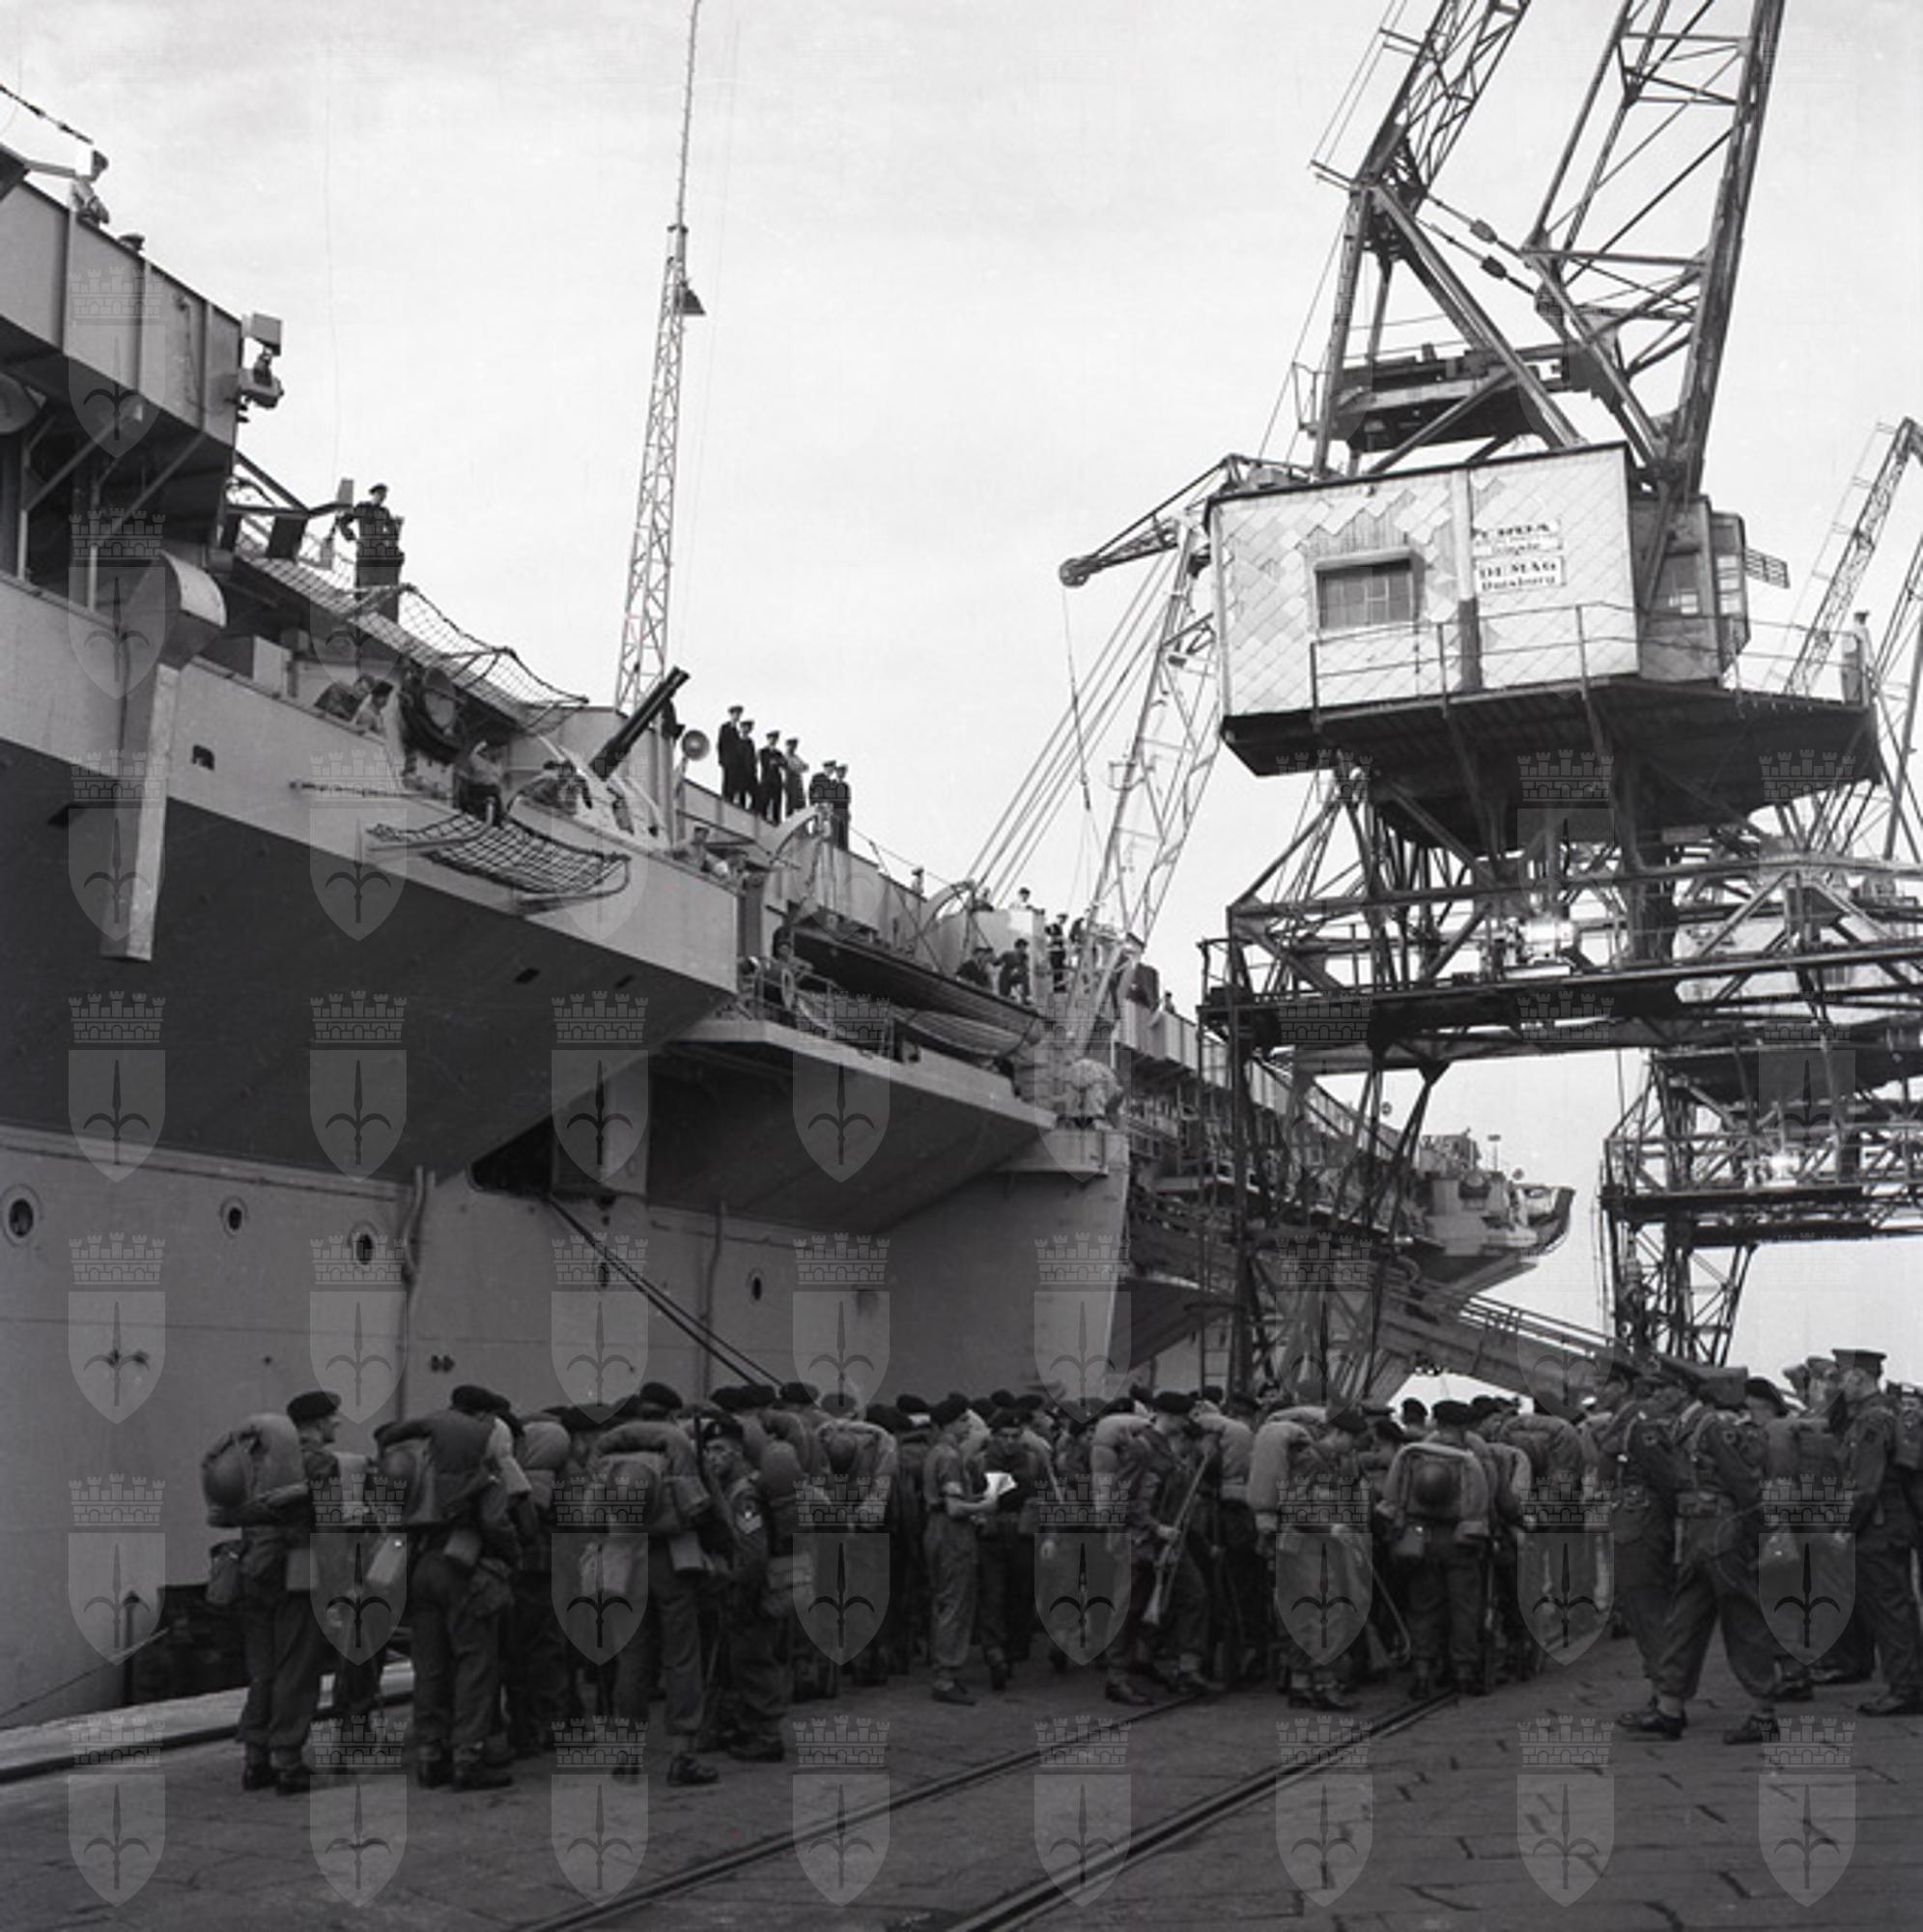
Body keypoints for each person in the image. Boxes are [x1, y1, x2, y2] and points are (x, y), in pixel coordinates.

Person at [1620, 1364, 1782, 1745]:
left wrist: (1758, 1532)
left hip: (1721, 1531)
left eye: (1661, 1389)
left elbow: (1743, 1483)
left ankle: (1764, 1712)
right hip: (1697, 1532)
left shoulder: (1711, 1426)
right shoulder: (1684, 1427)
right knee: (1684, 1620)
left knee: (1742, 1619)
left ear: (1681, 1389)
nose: (1654, 1396)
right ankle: (1669, 1708)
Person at [376, 1385, 520, 1790]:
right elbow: (495, 1523)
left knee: (430, 1667)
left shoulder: (417, 1458)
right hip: (465, 1567)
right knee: (475, 1663)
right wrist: (512, 1554)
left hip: (420, 1565)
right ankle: (468, 1758)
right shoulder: (481, 1463)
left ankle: (430, 1754)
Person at [234, 1390, 341, 1795]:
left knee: (262, 1671)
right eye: (333, 1417)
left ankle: (255, 1759)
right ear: (317, 1423)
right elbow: (329, 1523)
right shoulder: (319, 1462)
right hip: (297, 1573)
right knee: (297, 1667)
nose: (338, 1423)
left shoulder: (257, 1462)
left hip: (253, 1570)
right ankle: (288, 1761)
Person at [1831, 1347, 1923, 1716]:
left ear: (1859, 1378)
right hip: (1893, 1522)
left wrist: (1845, 1526)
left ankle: (1905, 1689)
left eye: (1843, 1378)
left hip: (1879, 1525)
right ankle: (1910, 1682)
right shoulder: (1889, 1412)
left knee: (1890, 1608)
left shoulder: (1871, 1421)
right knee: (1898, 1605)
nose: (1840, 1385)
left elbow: (1864, 1485)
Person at [1379, 1398, 1491, 1697]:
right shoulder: (1471, 1458)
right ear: (1464, 1427)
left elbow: (1392, 1498)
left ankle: (1422, 1672)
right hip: (1459, 1542)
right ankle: (1464, 1672)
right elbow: (1484, 1501)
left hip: (1419, 1540)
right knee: (1464, 1607)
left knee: (1423, 1606)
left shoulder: (1411, 1455)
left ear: (1437, 1423)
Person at [698, 1414, 790, 1761]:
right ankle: (749, 1725)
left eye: (719, 1449)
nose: (712, 1457)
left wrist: (743, 1592)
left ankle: (767, 1735)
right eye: (708, 1450)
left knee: (753, 1660)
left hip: (754, 1590)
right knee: (741, 1659)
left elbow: (753, 1553)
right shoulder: (732, 1488)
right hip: (749, 1587)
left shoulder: (744, 1495)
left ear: (737, 1452)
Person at [924, 1394, 997, 1703]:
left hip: (936, 1529)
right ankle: (946, 1675)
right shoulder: (951, 1458)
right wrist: (984, 1506)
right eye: (963, 1421)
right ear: (949, 1424)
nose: (969, 1426)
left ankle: (942, 1666)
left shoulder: (935, 1453)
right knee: (955, 1603)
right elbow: (954, 1508)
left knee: (942, 1601)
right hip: (952, 1534)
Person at [452, 735, 507, 824]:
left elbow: (498, 784)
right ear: (492, 748)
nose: (501, 754)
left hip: (494, 795)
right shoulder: (474, 759)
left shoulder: (498, 765)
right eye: (499, 750)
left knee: (498, 819)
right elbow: (462, 778)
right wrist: (457, 799)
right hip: (478, 792)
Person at [314, 673, 392, 733]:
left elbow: (346, 719)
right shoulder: (338, 688)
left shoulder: (357, 698)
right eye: (361, 689)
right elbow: (329, 713)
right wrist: (355, 727)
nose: (362, 695)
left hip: (329, 728)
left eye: (366, 693)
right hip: (315, 721)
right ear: (355, 684)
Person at [757, 730, 786, 824]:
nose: (773, 741)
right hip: (766, 781)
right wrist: (776, 762)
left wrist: (777, 762)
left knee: (777, 804)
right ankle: (762, 821)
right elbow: (765, 763)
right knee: (764, 802)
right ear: (768, 739)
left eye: (775, 739)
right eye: (771, 739)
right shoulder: (763, 751)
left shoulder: (778, 753)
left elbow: (784, 763)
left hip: (776, 781)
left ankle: (776, 822)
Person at [781, 738, 808, 817]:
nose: (793, 748)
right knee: (790, 802)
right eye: (791, 746)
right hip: (789, 780)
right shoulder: (785, 756)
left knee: (800, 801)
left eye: (794, 746)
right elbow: (789, 767)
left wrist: (798, 768)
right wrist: (797, 768)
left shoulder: (796, 757)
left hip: (797, 781)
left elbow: (805, 767)